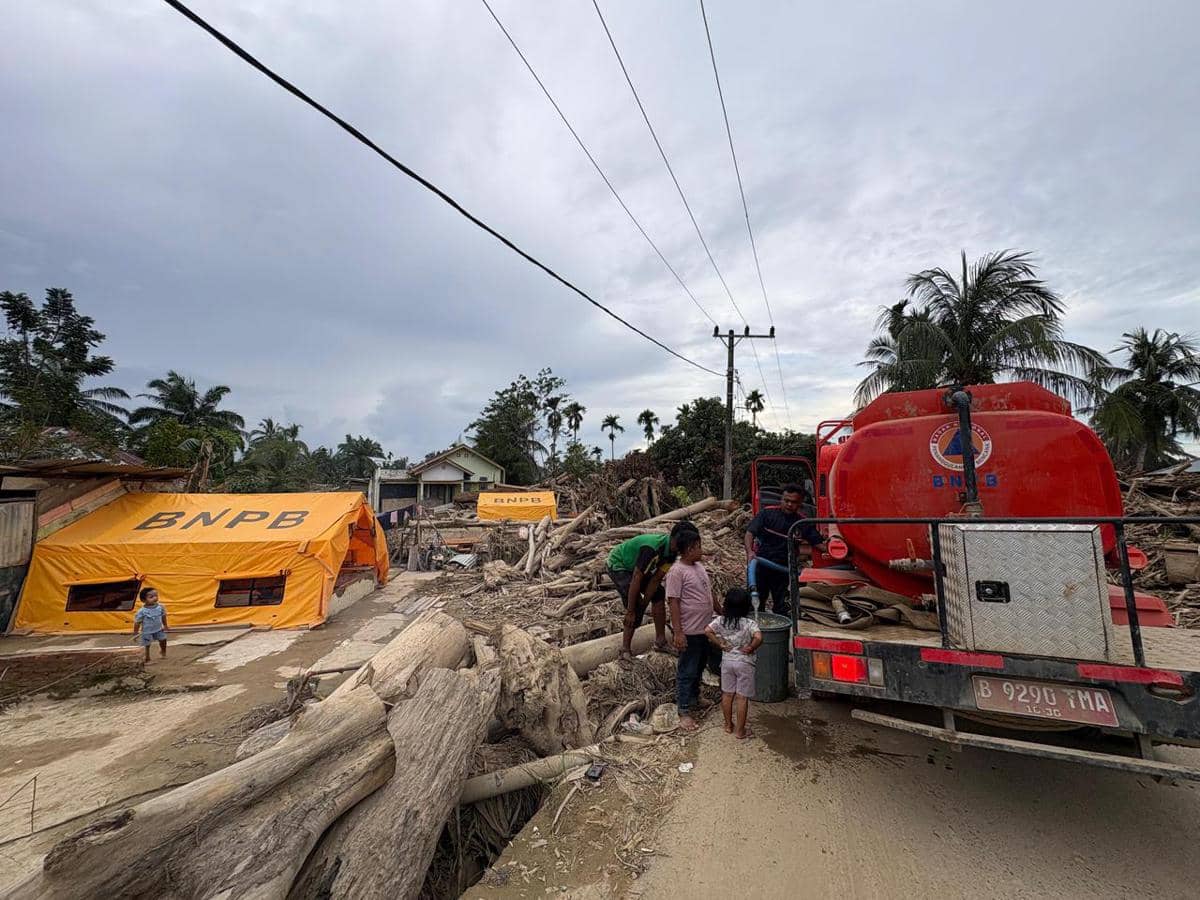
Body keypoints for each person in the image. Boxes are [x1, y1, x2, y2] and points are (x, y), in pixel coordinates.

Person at [607, 521, 699, 659]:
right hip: (620, 565)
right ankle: (625, 648)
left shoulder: (672, 554)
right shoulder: (652, 548)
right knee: (634, 603)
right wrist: (633, 610)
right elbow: (636, 578)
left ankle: (660, 641)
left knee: (659, 594)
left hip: (639, 569)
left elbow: (656, 579)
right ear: (677, 539)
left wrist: (645, 603)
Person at [666, 529, 722, 732]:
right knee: (687, 670)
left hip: (705, 629)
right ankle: (684, 710)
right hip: (689, 630)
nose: (701, 550)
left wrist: (720, 611)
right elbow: (673, 602)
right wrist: (678, 632)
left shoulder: (699, 567)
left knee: (699, 666)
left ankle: (695, 697)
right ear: (689, 549)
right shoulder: (676, 572)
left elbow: (709, 592)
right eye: (698, 546)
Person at [744, 483, 827, 616]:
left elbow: (819, 544)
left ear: (800, 504)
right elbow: (749, 533)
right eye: (786, 500)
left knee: (782, 607)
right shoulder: (767, 514)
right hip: (761, 565)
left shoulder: (802, 523)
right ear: (781, 500)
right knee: (754, 604)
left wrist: (842, 553)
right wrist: (750, 552)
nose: (789, 504)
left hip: (784, 570)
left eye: (793, 502)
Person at [705, 588, 763, 739]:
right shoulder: (750, 623)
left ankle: (728, 725)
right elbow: (759, 637)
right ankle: (740, 731)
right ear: (747, 606)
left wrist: (720, 644)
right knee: (742, 698)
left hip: (727, 662)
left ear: (726, 605)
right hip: (745, 663)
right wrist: (751, 647)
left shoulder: (720, 621)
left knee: (727, 694)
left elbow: (707, 631)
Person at [132, 587, 169, 662]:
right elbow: (137, 622)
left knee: (163, 640)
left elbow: (163, 616)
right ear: (143, 600)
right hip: (147, 631)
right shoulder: (142, 611)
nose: (155, 598)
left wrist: (165, 625)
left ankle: (163, 651)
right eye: (151, 597)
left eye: (156, 595)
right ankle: (147, 657)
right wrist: (135, 633)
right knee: (147, 644)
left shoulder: (160, 607)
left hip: (159, 629)